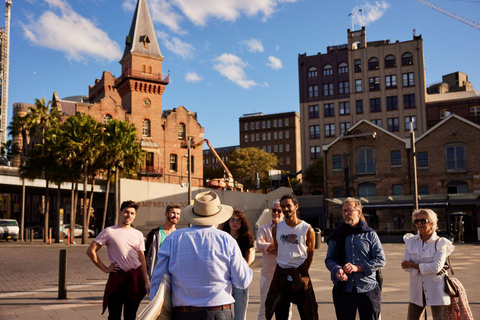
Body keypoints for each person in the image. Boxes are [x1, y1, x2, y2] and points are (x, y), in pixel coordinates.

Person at [150, 190, 253, 320]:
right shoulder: (227, 240)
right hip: (219, 312)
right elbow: (242, 282)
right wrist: (245, 265)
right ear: (218, 215)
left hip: (183, 313)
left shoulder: (173, 238)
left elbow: (158, 281)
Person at [86, 200, 149, 320]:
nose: (128, 215)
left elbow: (142, 259)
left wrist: (146, 281)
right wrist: (105, 268)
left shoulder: (138, 234)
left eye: (132, 213)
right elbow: (91, 251)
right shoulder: (109, 231)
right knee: (114, 315)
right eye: (126, 212)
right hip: (117, 278)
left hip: (135, 278)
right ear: (120, 213)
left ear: (135, 215)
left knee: (130, 315)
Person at [325, 197, 386, 320]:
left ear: (359, 213)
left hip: (367, 288)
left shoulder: (370, 234)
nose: (346, 213)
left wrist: (357, 268)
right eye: (344, 211)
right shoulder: (337, 234)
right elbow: (329, 259)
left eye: (349, 210)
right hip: (344, 288)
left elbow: (380, 259)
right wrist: (337, 269)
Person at [265, 194, 318, 320]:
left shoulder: (307, 229)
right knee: (280, 313)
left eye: (288, 205)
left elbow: (310, 254)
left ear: (296, 206)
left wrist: (302, 271)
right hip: (281, 274)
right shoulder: (277, 228)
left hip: (299, 273)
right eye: (283, 206)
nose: (285, 209)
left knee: (308, 312)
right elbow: (279, 250)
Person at [401, 209, 455, 320]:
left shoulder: (440, 242)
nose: (419, 224)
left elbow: (436, 267)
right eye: (416, 221)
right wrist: (428, 268)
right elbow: (406, 267)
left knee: (440, 318)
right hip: (416, 289)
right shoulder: (410, 241)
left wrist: (414, 265)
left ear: (431, 222)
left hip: (437, 289)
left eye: (423, 221)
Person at [256, 199, 291, 320]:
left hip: (285, 276)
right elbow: (260, 245)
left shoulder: (289, 229)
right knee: (264, 308)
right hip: (268, 275)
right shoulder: (263, 229)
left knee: (286, 309)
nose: (276, 213)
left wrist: (270, 246)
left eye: (279, 211)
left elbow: (291, 249)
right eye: (274, 210)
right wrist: (280, 247)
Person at [221, 209, 255, 320]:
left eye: (238, 220)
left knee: (240, 314)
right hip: (225, 279)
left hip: (240, 278)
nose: (235, 223)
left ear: (242, 223)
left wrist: (246, 266)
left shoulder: (246, 238)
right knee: (224, 313)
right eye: (233, 220)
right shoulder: (222, 237)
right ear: (228, 221)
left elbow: (251, 253)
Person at [145, 204, 181, 279]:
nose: (175, 216)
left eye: (178, 214)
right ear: (166, 214)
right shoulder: (155, 233)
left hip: (174, 276)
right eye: (173, 213)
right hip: (157, 276)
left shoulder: (179, 235)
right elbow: (147, 256)